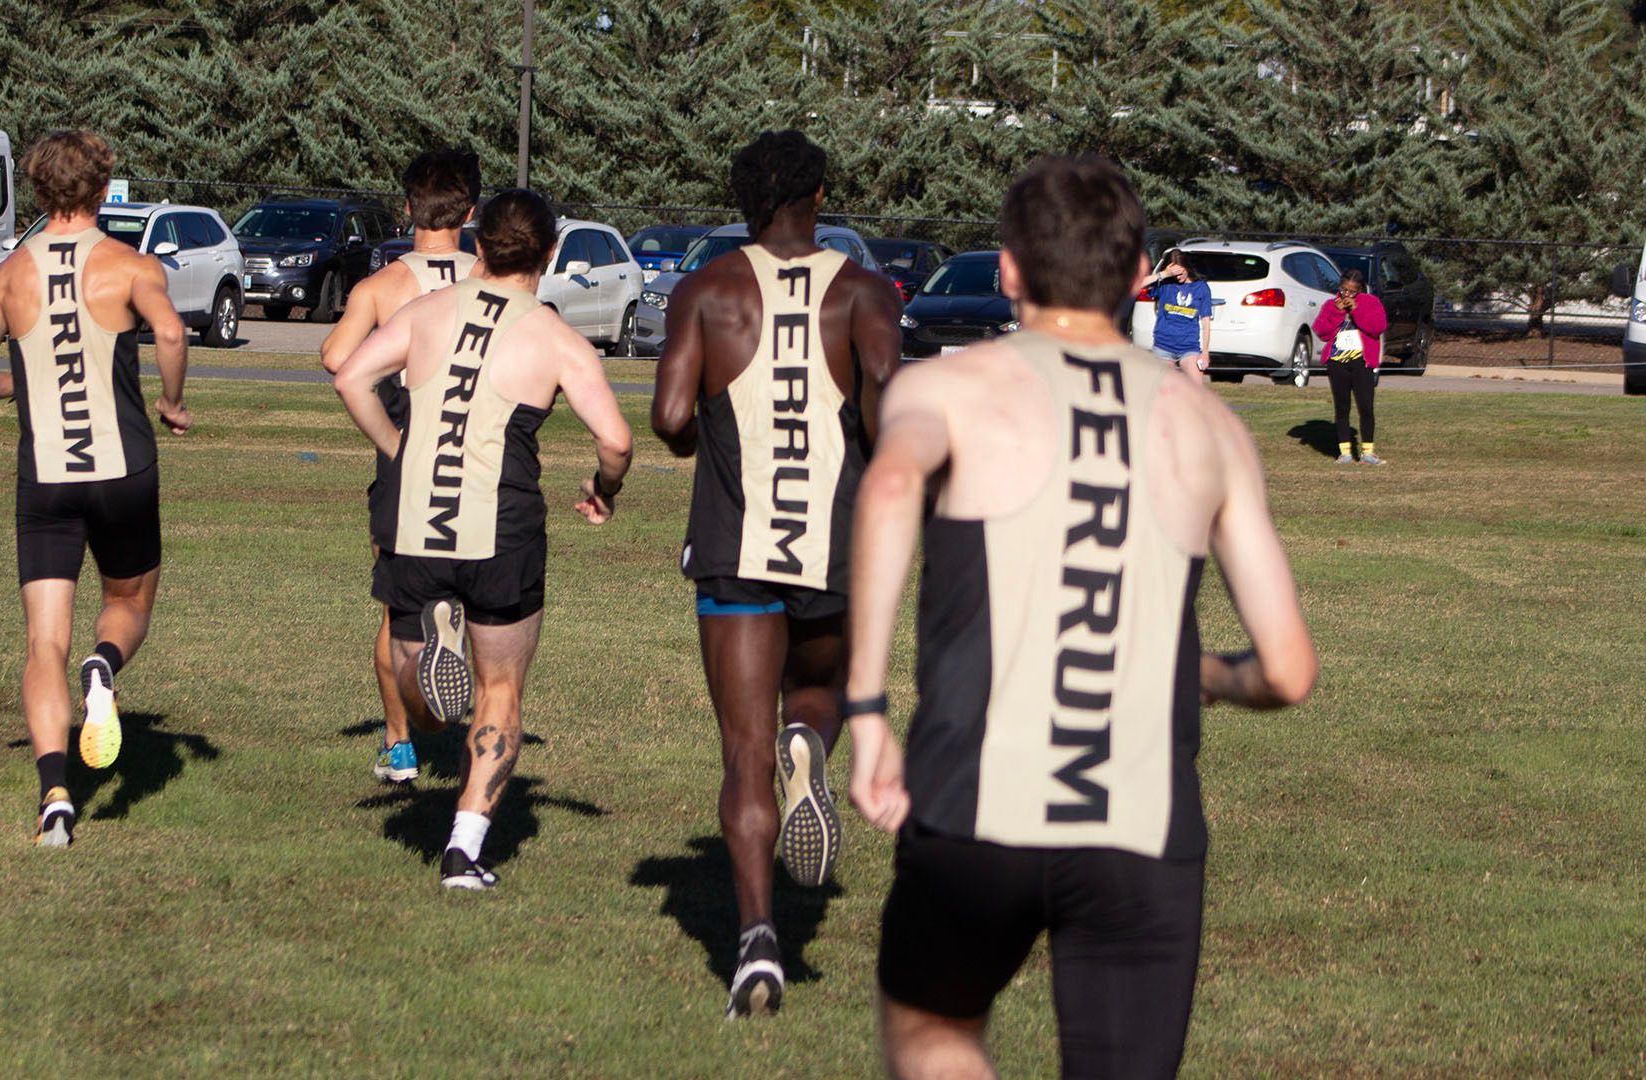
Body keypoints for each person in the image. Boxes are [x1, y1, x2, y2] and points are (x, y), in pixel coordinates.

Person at [843, 156, 1317, 1078]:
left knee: (932, 1034)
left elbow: (892, 481)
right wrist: (1209, 676)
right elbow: (1290, 670)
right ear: (1140, 273)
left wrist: (865, 711)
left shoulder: (947, 387)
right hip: (1142, 834)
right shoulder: (1212, 425)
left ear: (1010, 270)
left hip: (975, 812)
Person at [650, 129, 903, 1018]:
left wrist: (702, 434)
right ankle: (814, 749)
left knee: (740, 754)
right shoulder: (865, 289)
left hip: (733, 544)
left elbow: (671, 415)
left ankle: (756, 945)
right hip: (836, 549)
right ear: (820, 195)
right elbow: (883, 386)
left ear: (743, 199)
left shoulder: (707, 290)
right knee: (821, 693)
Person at [332, 189, 633, 891]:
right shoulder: (556, 335)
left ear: (479, 243)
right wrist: (605, 488)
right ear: (550, 253)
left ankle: (432, 656)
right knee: (499, 688)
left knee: (422, 710)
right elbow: (616, 440)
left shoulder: (427, 311)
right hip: (503, 527)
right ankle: (464, 850)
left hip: (420, 524)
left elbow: (350, 375)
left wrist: (399, 448)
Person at [0, 130, 192, 848]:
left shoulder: (9, 274)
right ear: (103, 187)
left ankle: (55, 795)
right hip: (122, 471)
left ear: (38, 190)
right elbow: (172, 335)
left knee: (40, 642)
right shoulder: (130, 265)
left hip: (46, 478)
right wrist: (173, 404)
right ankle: (105, 665)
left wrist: (22, 389)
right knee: (127, 603)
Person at [320, 149, 483, 785]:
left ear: (407, 208)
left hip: (407, 453)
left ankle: (399, 743)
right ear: (471, 212)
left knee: (396, 612)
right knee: (482, 595)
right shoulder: (490, 275)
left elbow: (336, 357)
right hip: (478, 454)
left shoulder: (382, 286)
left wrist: (390, 366)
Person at [1313, 268, 1388, 465]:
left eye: (1352, 291)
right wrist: (1337, 313)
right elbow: (1321, 330)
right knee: (1342, 406)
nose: (1346, 295)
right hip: (1337, 362)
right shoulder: (1331, 305)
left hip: (1361, 362)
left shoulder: (1371, 303)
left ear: (1360, 290)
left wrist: (1356, 309)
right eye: (1344, 290)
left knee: (1366, 407)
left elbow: (1377, 327)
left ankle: (1368, 452)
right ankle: (1345, 452)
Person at [1144, 249, 1211, 380]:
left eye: (1180, 272)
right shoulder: (1165, 284)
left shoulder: (1201, 287)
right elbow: (1135, 285)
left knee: (1196, 390)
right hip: (1163, 346)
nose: (1178, 277)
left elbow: (1206, 321)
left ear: (1187, 267)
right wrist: (1162, 274)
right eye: (1174, 274)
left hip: (1189, 346)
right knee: (1165, 389)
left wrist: (1205, 352)